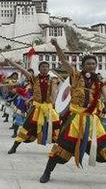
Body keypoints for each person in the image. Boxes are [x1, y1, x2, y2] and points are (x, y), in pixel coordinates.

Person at [39, 39, 106, 183]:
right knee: (62, 148)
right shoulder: (75, 75)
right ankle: (47, 173)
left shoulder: (100, 81)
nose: (91, 66)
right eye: (88, 63)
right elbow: (63, 60)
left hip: (93, 121)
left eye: (93, 64)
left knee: (102, 150)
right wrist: (57, 46)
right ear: (83, 65)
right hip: (75, 120)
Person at [6, 58, 60, 154]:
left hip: (49, 108)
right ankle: (14, 147)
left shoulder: (53, 79)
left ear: (49, 69)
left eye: (47, 67)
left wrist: (54, 103)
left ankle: (58, 150)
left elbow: (55, 92)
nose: (45, 68)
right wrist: (12, 62)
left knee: (55, 128)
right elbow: (23, 70)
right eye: (43, 67)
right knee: (26, 126)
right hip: (37, 109)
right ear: (39, 69)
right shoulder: (34, 78)